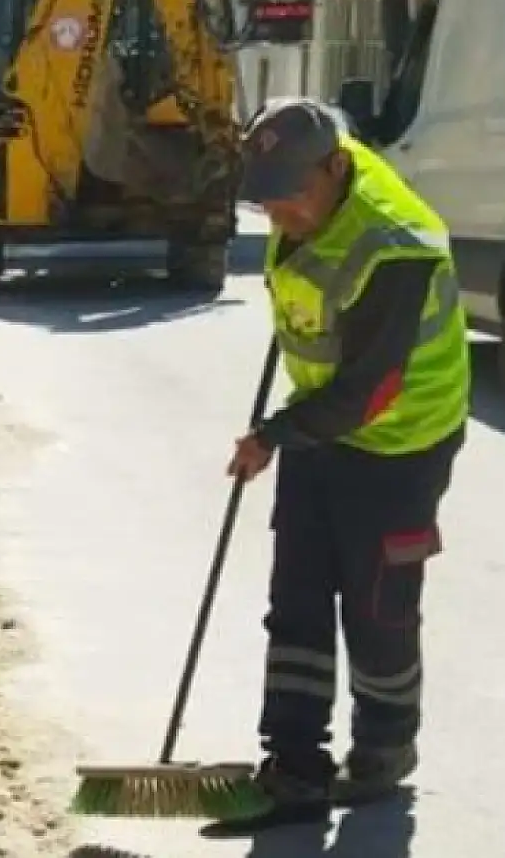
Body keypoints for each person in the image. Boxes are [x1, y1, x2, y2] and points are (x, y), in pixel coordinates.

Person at [227, 99, 468, 820]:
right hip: (321, 428)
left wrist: (272, 434)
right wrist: (292, 428)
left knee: (376, 606)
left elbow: (372, 391)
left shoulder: (395, 244)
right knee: (296, 595)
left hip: (401, 441)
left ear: (335, 170)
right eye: (265, 199)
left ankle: (385, 750)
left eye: (290, 197)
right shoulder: (302, 198)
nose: (277, 215)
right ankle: (295, 762)